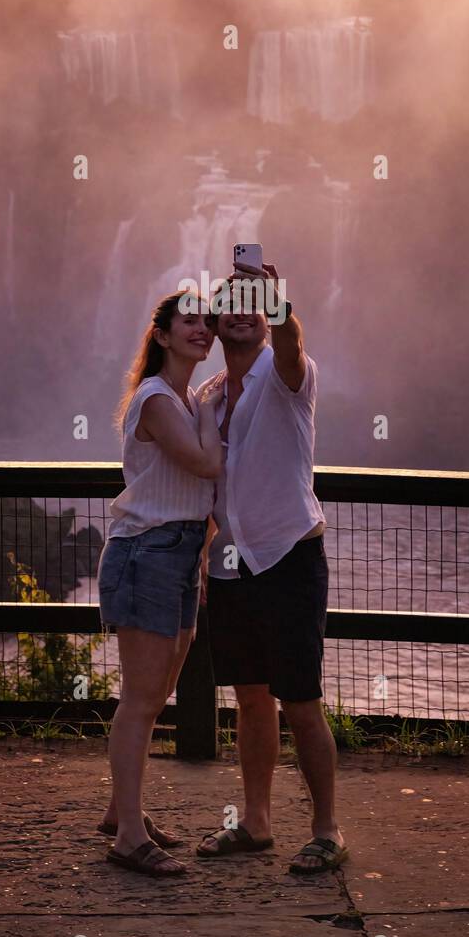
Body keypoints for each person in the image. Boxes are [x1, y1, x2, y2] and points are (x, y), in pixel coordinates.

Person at [196, 264, 348, 873]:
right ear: (212, 323)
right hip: (232, 565)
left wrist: (275, 298)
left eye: (252, 305)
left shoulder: (289, 377)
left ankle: (327, 830)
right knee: (250, 700)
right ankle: (256, 823)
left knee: (302, 699)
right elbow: (213, 488)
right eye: (229, 304)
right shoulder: (208, 397)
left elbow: (292, 343)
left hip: (288, 557)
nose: (241, 312)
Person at [96, 292, 222, 877]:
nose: (202, 328)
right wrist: (226, 408)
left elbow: (198, 485)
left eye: (207, 321)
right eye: (189, 320)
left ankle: (121, 811)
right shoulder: (156, 400)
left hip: (179, 553)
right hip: (146, 552)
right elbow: (203, 464)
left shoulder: (187, 397)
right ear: (164, 336)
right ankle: (127, 838)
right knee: (141, 698)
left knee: (159, 689)